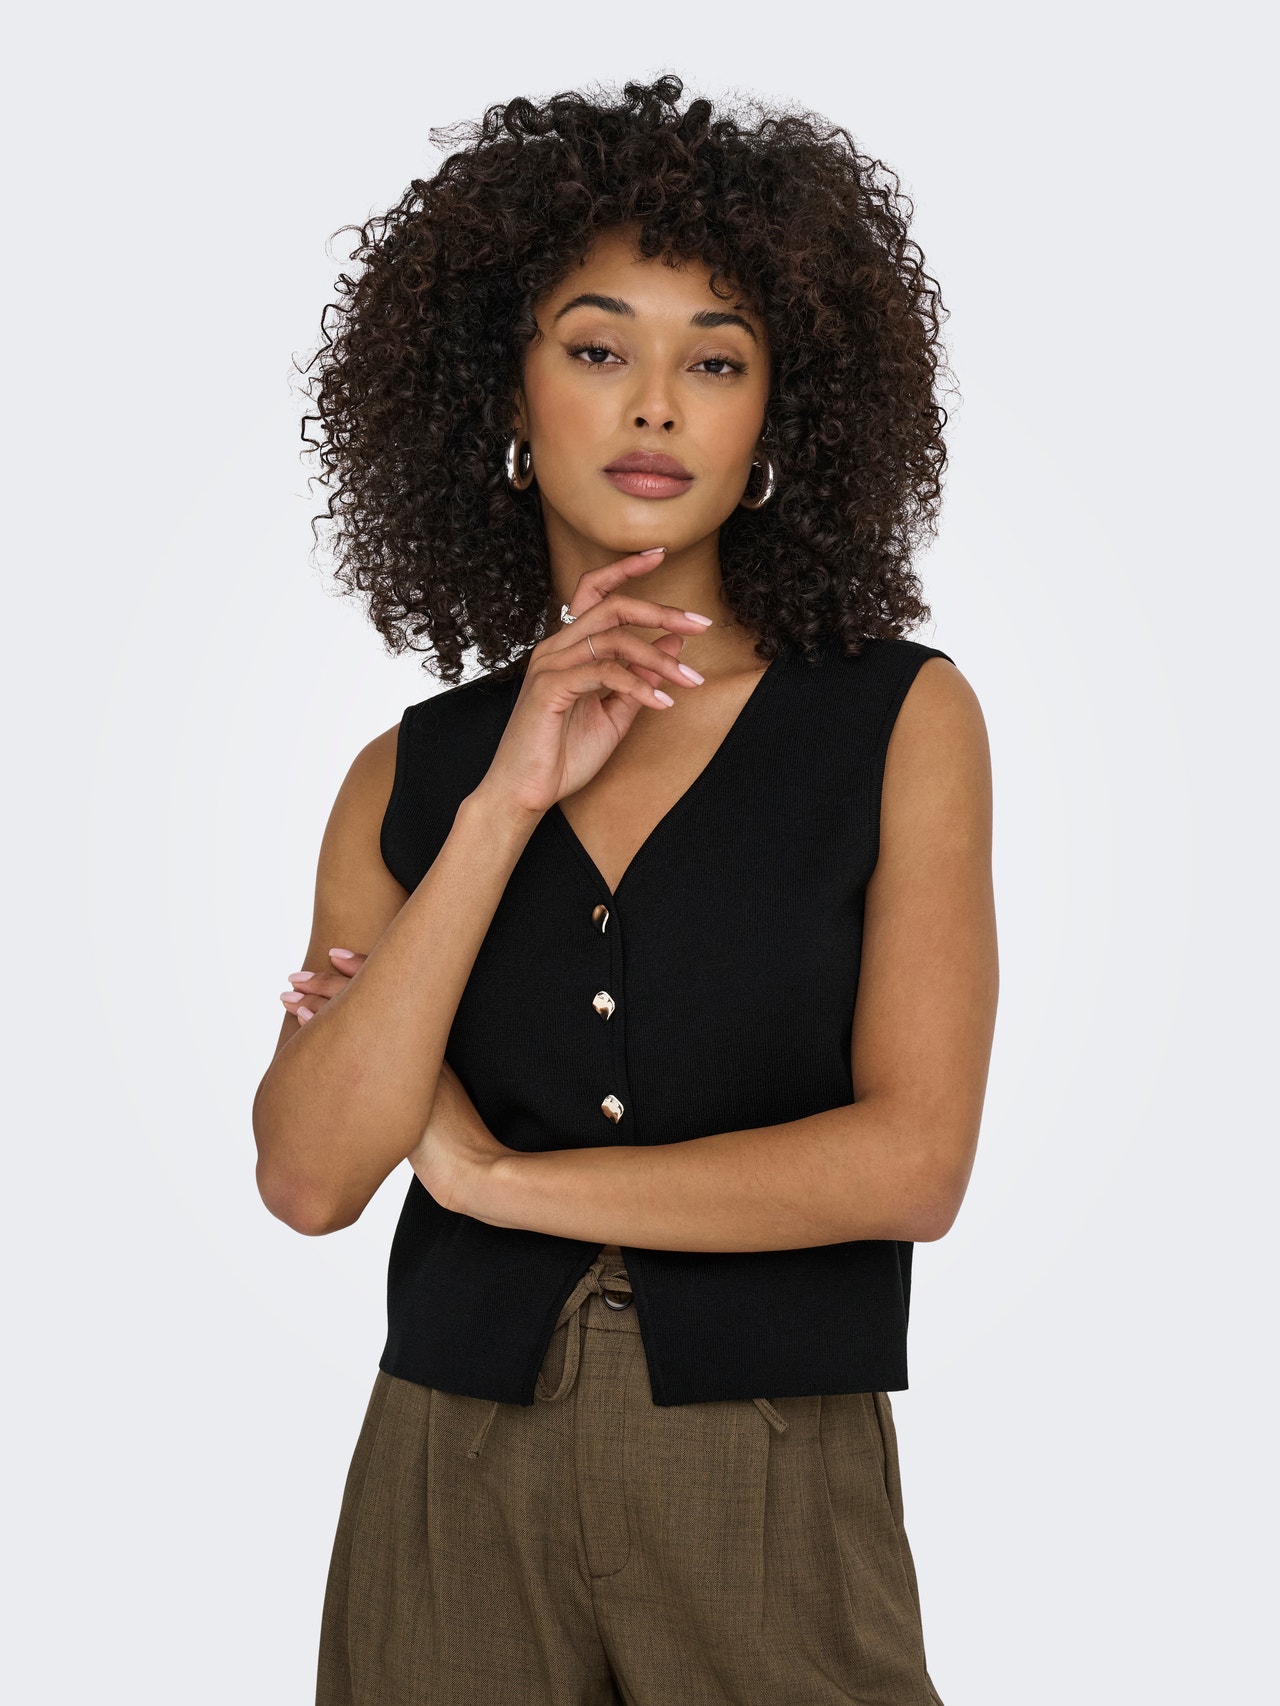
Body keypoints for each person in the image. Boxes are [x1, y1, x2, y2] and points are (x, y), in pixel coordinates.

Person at [252, 74, 997, 1706]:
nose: (656, 406)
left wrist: (494, 1178)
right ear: (505, 396)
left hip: (767, 1467)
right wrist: (506, 797)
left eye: (715, 361)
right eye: (599, 351)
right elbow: (310, 1175)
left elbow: (912, 1161)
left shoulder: (896, 721)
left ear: (777, 417)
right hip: (449, 1468)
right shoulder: (412, 774)